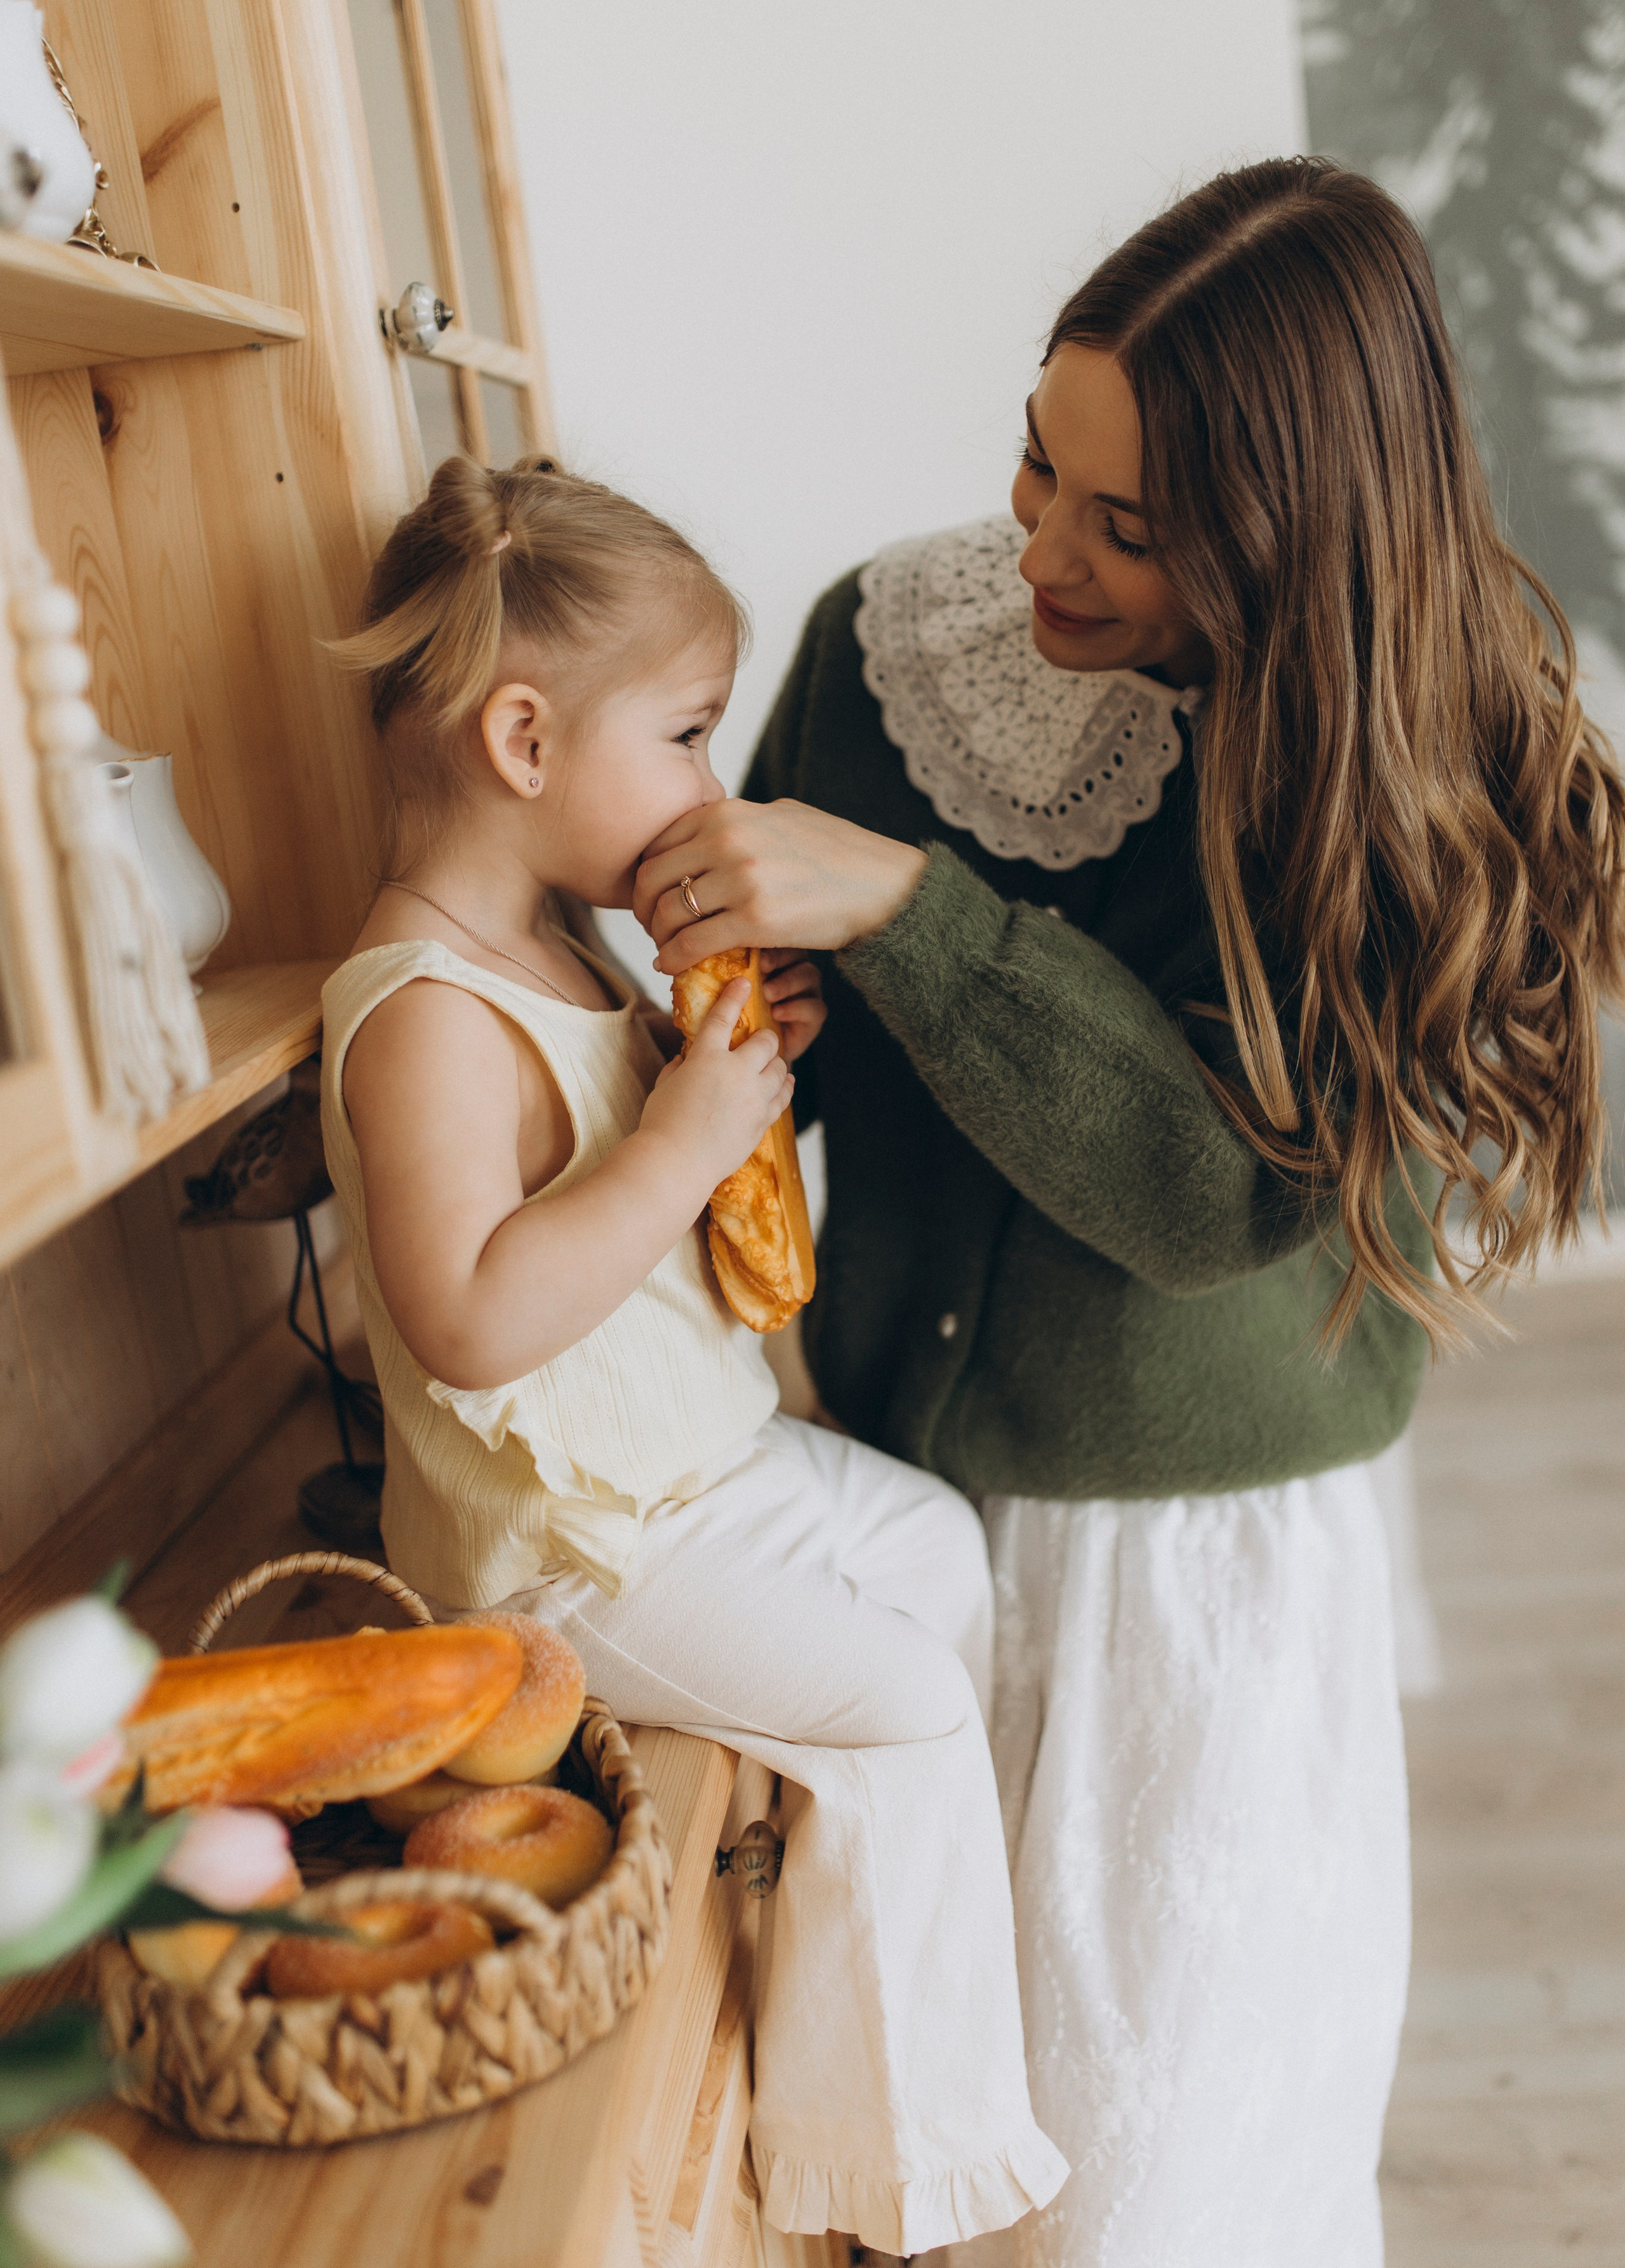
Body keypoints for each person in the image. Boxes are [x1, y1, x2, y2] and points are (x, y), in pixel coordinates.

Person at [635, 158, 1625, 2267]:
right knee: (922, 2155)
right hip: (881, 1513)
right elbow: (792, 1076)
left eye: (1131, 524)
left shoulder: (1405, 768)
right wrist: (755, 1010)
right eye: (1034, 457)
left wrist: (910, 910)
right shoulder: (888, 654)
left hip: (1187, 1583)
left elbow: (1201, 1198)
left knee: (1163, 2168)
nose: (1041, 549)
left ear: (1291, 533)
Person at [316, 455, 1068, 2258]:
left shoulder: (570, 949)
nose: (708, 792)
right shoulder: (422, 1013)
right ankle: (892, 2179)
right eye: (686, 737)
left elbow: (673, 1260)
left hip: (699, 1468)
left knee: (940, 1551)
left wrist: (719, 1108)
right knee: (906, 1700)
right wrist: (671, 1143)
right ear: (522, 742)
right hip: (566, 1553)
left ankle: (862, 1914)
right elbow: (474, 1317)